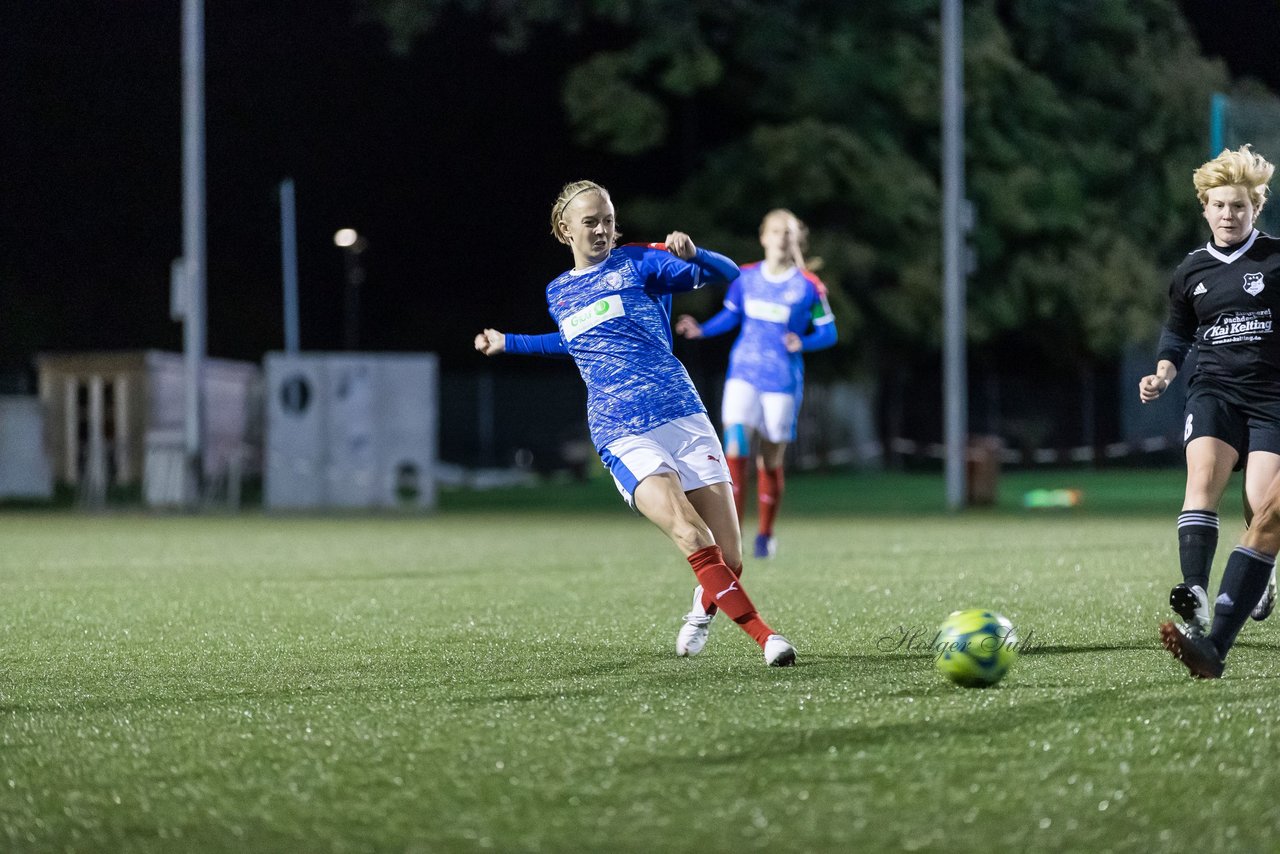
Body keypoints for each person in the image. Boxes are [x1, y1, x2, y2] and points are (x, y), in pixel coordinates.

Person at [474, 179, 796, 666]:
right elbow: (576, 340)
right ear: (565, 230)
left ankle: (700, 610)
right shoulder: (558, 292)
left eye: (608, 219)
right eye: (590, 222)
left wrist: (696, 255)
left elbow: (730, 273)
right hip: (619, 427)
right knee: (690, 535)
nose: (602, 229)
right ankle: (767, 638)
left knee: (729, 559)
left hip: (683, 415)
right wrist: (510, 342)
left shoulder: (640, 262)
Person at [1145, 144, 1280, 676]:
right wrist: (1163, 371)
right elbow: (1177, 332)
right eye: (1220, 205)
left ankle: (1257, 578)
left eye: (1239, 206)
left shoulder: (1275, 260)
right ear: (1204, 207)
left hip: (1272, 397)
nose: (1229, 214)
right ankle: (1197, 596)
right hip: (1214, 391)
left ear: (1256, 208)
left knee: (1258, 506)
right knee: (1200, 481)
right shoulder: (1191, 270)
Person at [674, 209, 837, 559]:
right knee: (734, 450)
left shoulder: (808, 285)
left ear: (796, 239)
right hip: (743, 375)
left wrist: (803, 342)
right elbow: (731, 316)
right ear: (763, 236)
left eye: (788, 232)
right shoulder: (746, 277)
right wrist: (702, 329)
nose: (781, 237)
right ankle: (732, 537)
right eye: (775, 231)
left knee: (770, 460)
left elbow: (829, 332)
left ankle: (765, 533)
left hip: (781, 382)